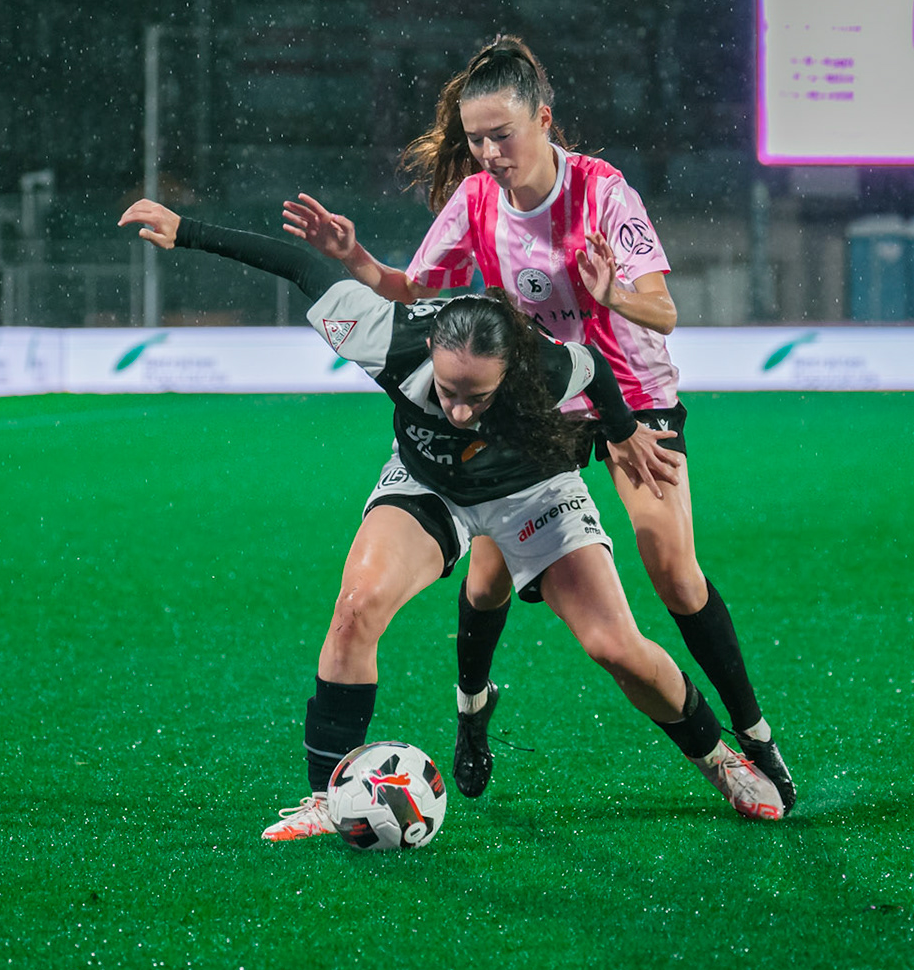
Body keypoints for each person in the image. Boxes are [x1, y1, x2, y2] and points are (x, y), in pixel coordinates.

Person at [117, 196, 787, 838]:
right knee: (356, 608)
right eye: (448, 390)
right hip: (428, 484)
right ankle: (327, 797)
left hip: (536, 493)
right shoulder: (388, 338)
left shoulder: (542, 367)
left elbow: (594, 371)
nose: (461, 409)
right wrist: (189, 231)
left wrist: (623, 432)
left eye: (477, 396)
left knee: (615, 646)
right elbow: (301, 266)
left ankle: (717, 759)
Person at [281, 34, 794, 811]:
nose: (487, 152)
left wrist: (612, 293)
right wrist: (355, 261)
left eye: (501, 136)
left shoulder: (603, 191)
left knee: (673, 573)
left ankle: (753, 741)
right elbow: (412, 292)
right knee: (485, 578)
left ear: (544, 119)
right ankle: (472, 712)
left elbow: (664, 308)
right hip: (538, 402)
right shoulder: (476, 200)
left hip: (631, 398)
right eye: (475, 139)